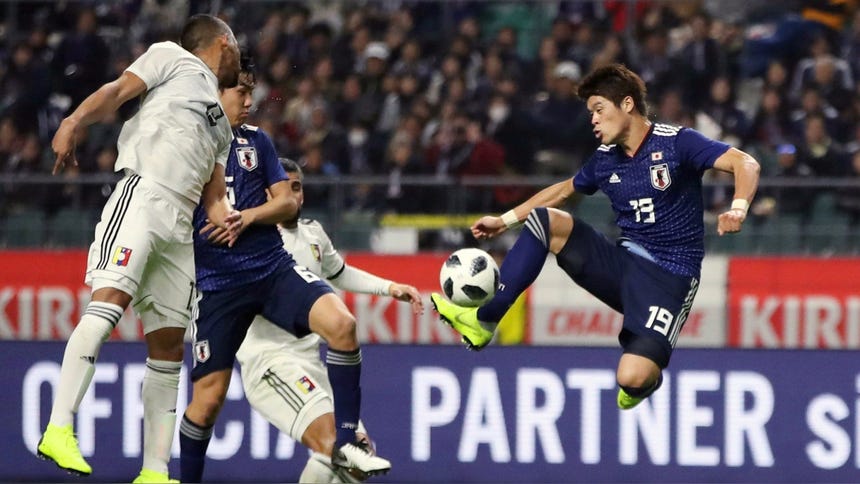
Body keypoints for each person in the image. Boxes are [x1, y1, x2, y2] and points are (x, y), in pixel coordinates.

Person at [432, 64, 760, 410]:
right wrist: (505, 220)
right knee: (547, 222)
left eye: (599, 109)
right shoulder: (605, 160)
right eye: (590, 113)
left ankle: (647, 380)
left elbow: (746, 164)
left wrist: (738, 208)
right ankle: (485, 320)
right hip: (621, 266)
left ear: (628, 105)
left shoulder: (678, 142)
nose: (593, 120)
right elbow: (562, 190)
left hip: (668, 279)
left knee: (631, 378)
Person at [37, 14, 242, 484]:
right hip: (144, 196)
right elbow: (115, 92)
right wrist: (73, 120)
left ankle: (154, 471)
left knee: (170, 345)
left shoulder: (221, 124)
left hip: (180, 227)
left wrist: (233, 220)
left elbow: (214, 198)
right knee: (107, 306)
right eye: (235, 47)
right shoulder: (172, 56)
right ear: (222, 44)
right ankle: (59, 427)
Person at [179, 57, 391, 483]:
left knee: (344, 325)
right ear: (215, 94)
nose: (250, 100)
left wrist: (246, 216)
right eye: (241, 91)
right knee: (207, 400)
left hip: (271, 268)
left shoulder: (257, 143)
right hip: (222, 288)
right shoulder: (189, 146)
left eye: (252, 91)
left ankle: (348, 440)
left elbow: (285, 203)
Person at [236, 158, 423, 483]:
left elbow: (341, 273)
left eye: (297, 187)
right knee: (332, 445)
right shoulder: (253, 242)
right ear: (268, 194)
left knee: (358, 456)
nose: (292, 195)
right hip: (271, 363)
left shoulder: (313, 234)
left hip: (311, 363)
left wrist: (390, 288)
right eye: (283, 188)